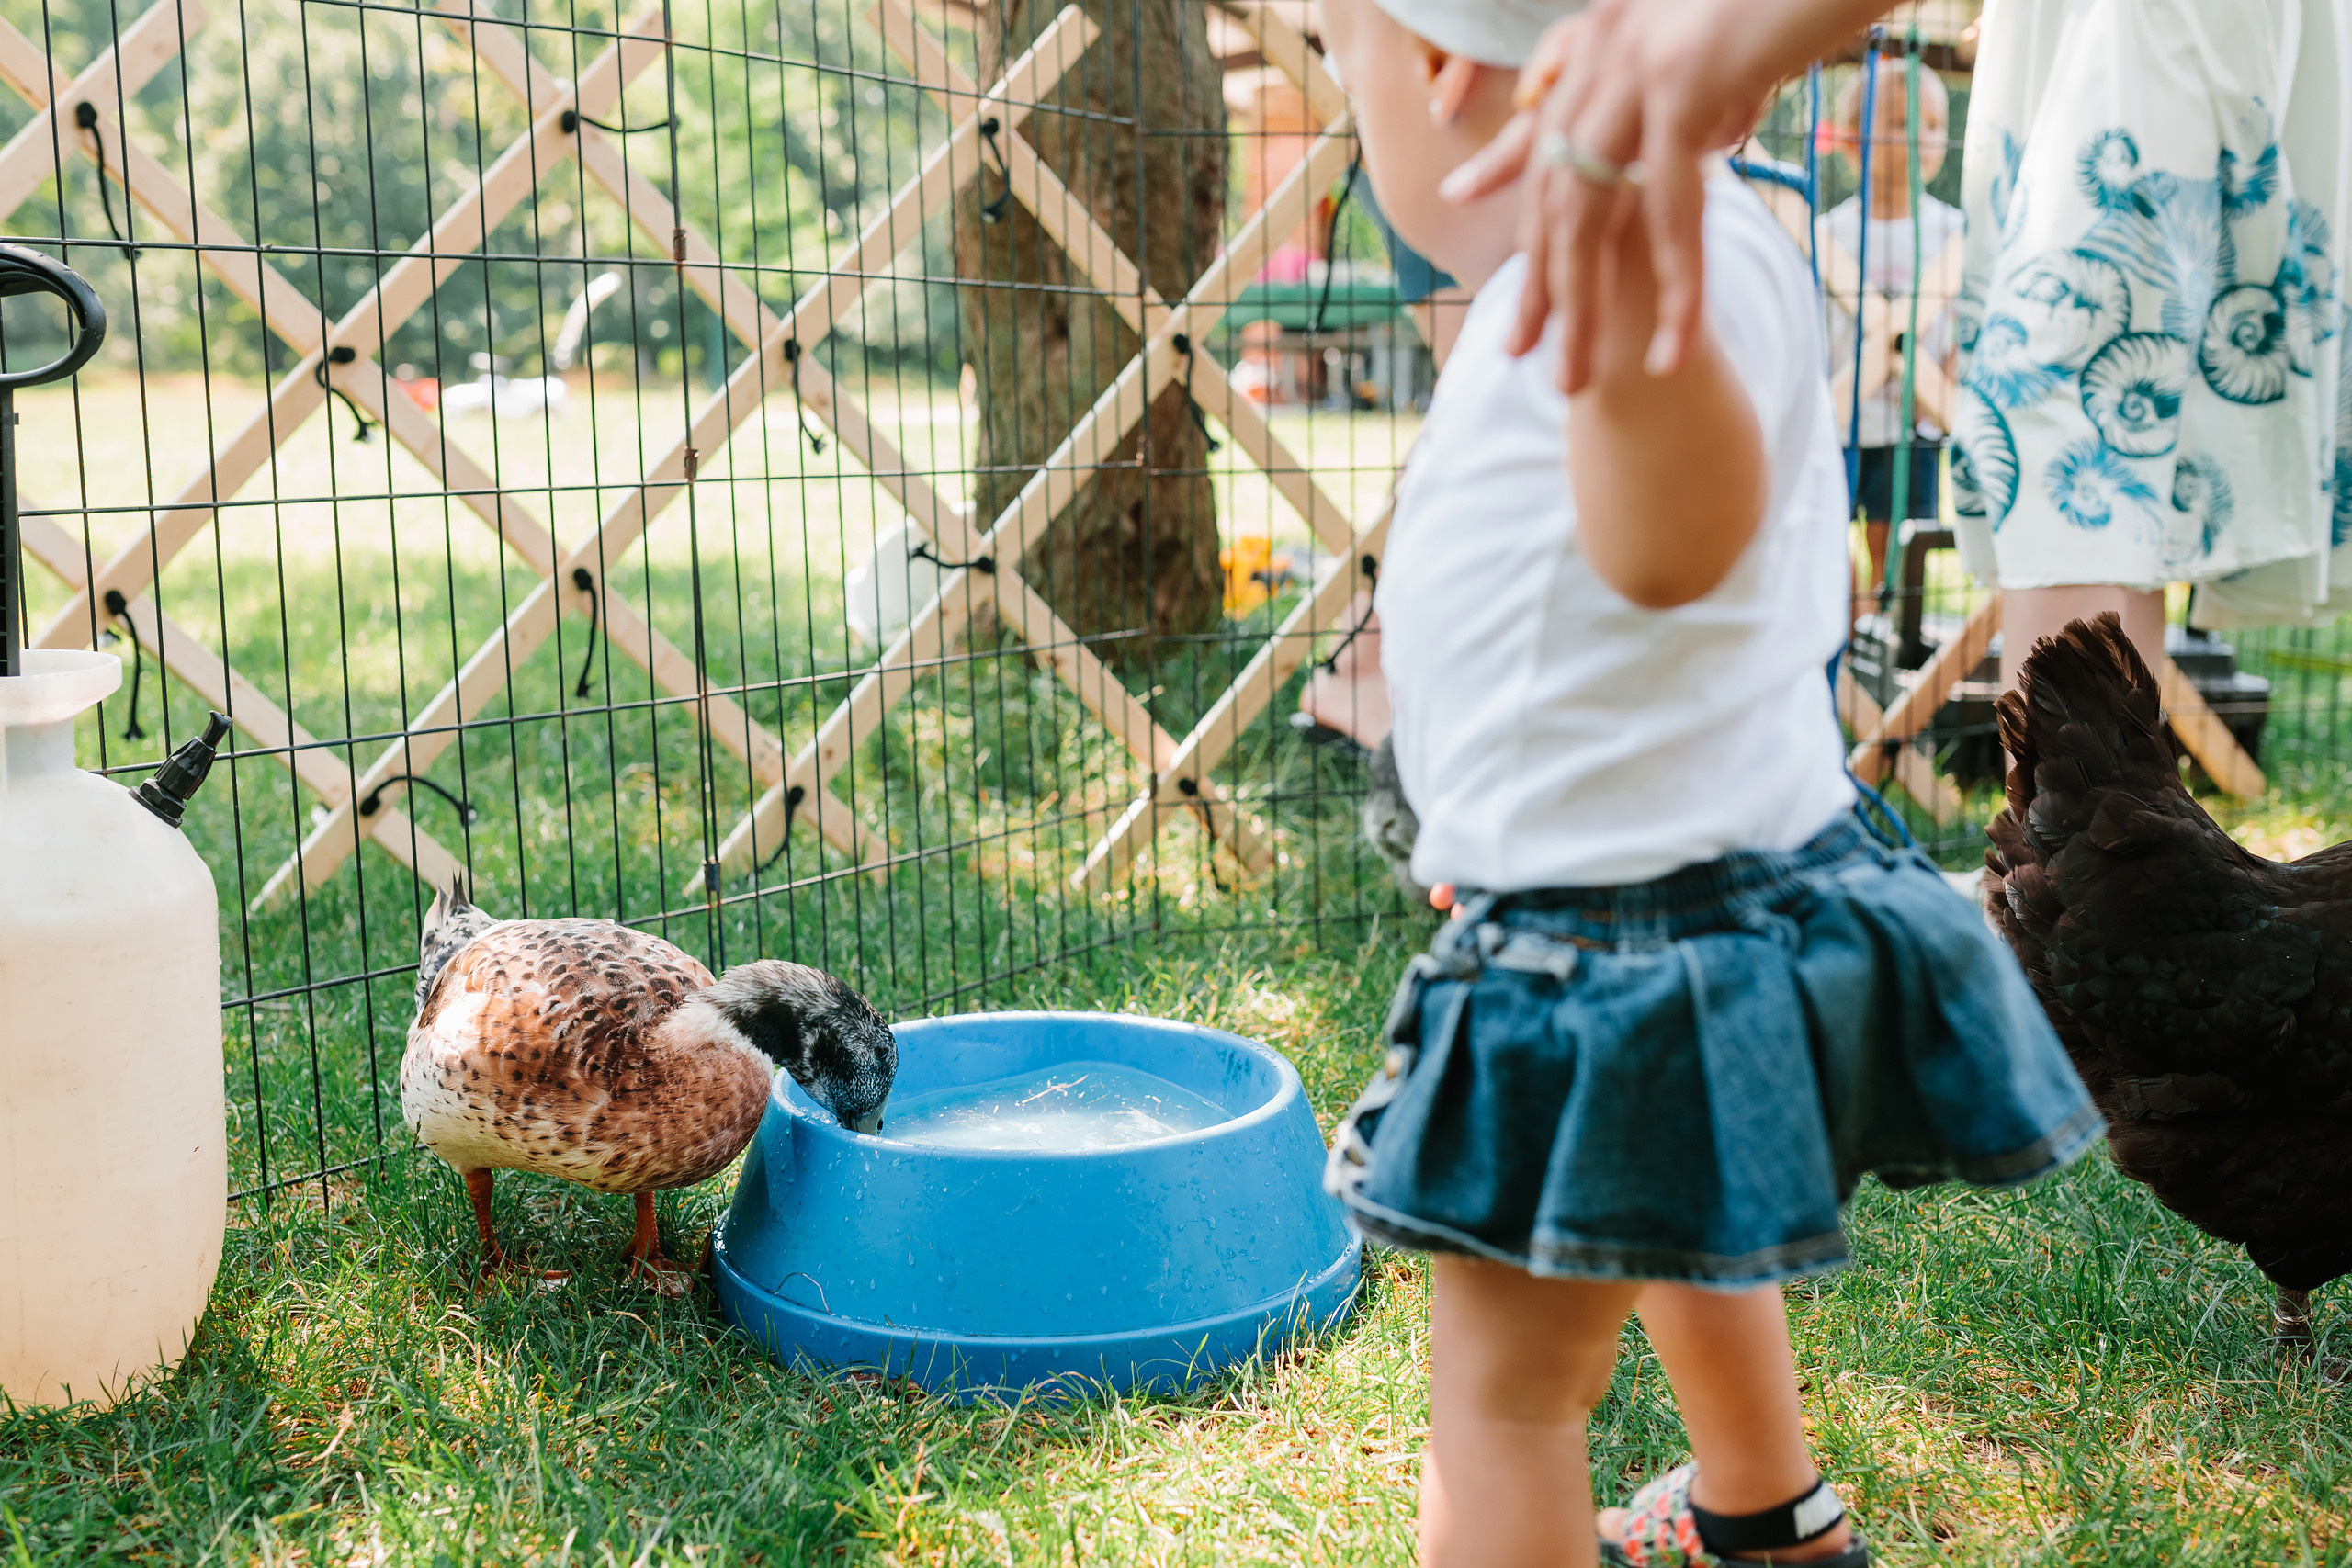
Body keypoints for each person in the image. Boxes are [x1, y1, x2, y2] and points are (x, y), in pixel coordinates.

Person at [1313, 5, 2099, 1568]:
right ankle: (1768, 1511)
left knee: (1508, 1392)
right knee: (1675, 1201)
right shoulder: (1700, 244)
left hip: (1609, 934)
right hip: (1718, 875)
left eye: (1341, 61)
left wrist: (1628, 321)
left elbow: (1676, 545)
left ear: (1444, 75)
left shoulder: (1623, 277)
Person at [1817, 58, 1962, 626]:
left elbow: (1966, 322)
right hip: (1842, 421)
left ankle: (1885, 642)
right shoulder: (1830, 232)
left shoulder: (1952, 231)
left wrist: (1950, 377)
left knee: (1897, 550)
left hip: (1914, 426)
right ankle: (1846, 636)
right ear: (1854, 140)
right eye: (1903, 121)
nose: (1924, 137)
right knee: (1830, 539)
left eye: (1933, 124)